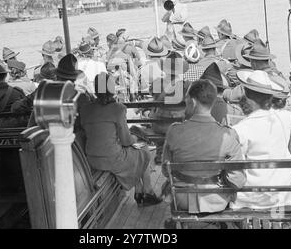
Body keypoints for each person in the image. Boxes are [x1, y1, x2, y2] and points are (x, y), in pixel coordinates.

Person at [162, 79, 246, 215]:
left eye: (187, 100)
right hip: (216, 200)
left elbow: (166, 170)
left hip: (182, 199)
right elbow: (237, 180)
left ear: (193, 102)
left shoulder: (174, 131)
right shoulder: (228, 134)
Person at [80, 72, 161, 206]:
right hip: (112, 158)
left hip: (92, 159)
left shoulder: (86, 109)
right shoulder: (118, 109)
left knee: (135, 155)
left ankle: (139, 191)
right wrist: (135, 138)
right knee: (144, 150)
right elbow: (126, 141)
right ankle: (147, 191)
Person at [231, 70, 291, 213]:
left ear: (246, 96)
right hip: (286, 194)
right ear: (270, 97)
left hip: (253, 198)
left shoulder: (241, 129)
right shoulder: (286, 117)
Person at [149, 51, 191, 164]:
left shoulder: (157, 82)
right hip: (179, 125)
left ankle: (159, 152)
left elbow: (154, 99)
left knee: (154, 112)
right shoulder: (186, 85)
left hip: (160, 125)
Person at [223, 39, 284, 104]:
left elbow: (232, 96)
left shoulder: (255, 78)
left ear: (253, 62)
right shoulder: (278, 75)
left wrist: (223, 92)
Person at [11, 62, 57, 127]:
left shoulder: (40, 91)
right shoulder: (66, 89)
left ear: (42, 78)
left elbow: (16, 107)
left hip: (43, 130)